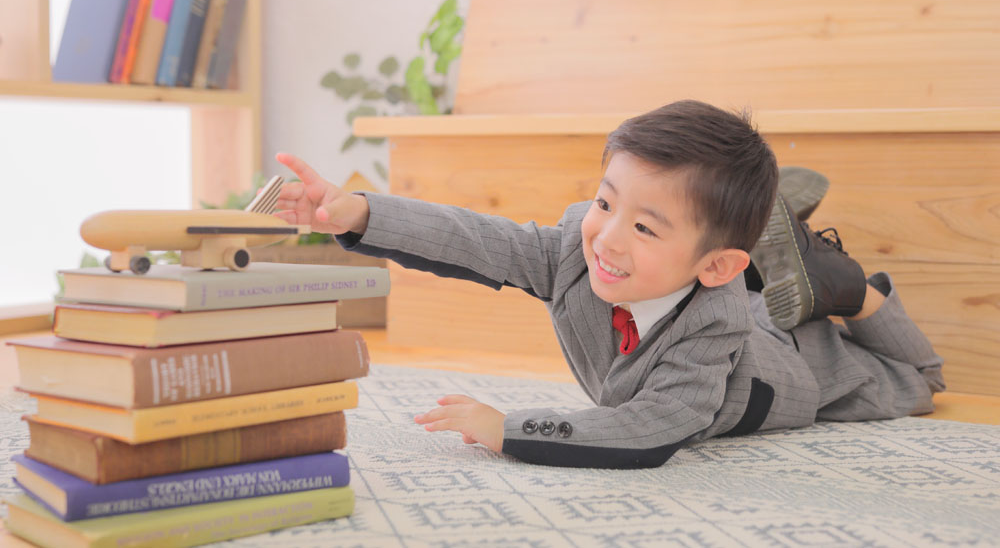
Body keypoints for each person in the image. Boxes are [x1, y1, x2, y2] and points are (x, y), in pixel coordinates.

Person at [273, 99, 945, 469]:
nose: (608, 238)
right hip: (739, 296)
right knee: (745, 300)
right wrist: (359, 212)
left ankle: (846, 285)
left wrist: (507, 428)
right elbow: (478, 239)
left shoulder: (708, 334)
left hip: (795, 362)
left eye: (645, 227)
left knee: (920, 381)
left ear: (716, 266)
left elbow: (647, 427)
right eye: (604, 202)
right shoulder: (579, 249)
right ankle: (793, 262)